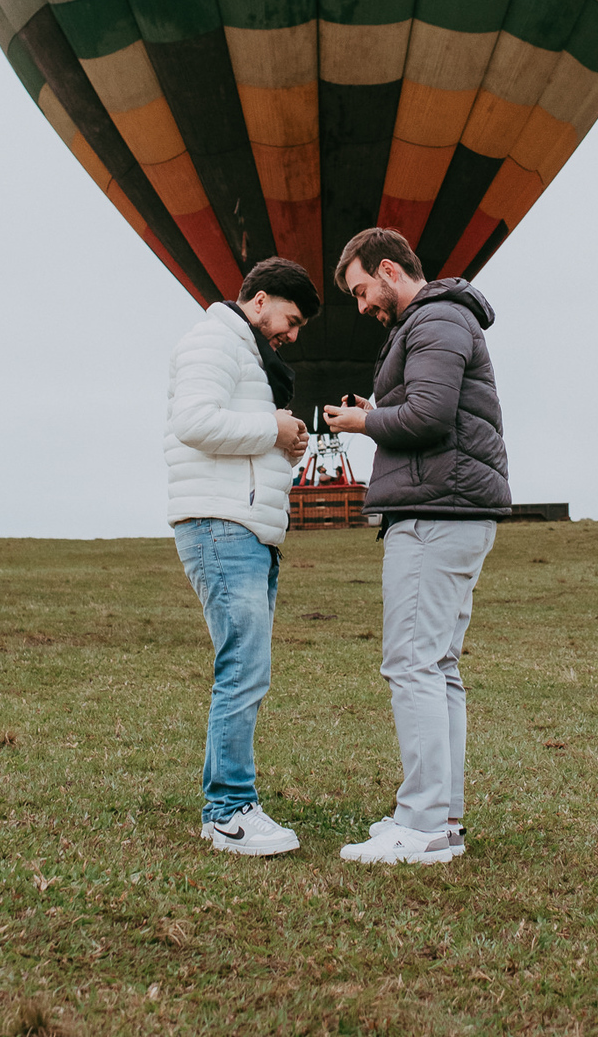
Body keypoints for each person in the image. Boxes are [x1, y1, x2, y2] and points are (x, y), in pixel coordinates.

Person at [324, 228, 510, 865]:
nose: (360, 306)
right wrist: (379, 407)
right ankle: (443, 820)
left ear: (387, 270)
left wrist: (362, 421)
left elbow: (430, 417)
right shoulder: (441, 323)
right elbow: (432, 410)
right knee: (437, 666)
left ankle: (423, 823)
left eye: (359, 290)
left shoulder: (434, 322)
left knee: (411, 664)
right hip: (450, 507)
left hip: (436, 513)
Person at [165, 256, 320, 857]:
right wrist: (272, 429)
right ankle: (230, 810)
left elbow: (240, 434)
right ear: (259, 301)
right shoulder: (213, 340)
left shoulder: (247, 354)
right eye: (290, 318)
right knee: (243, 669)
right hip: (221, 525)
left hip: (245, 526)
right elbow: (193, 421)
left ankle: (223, 806)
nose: (293, 333)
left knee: (244, 667)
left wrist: (286, 442)